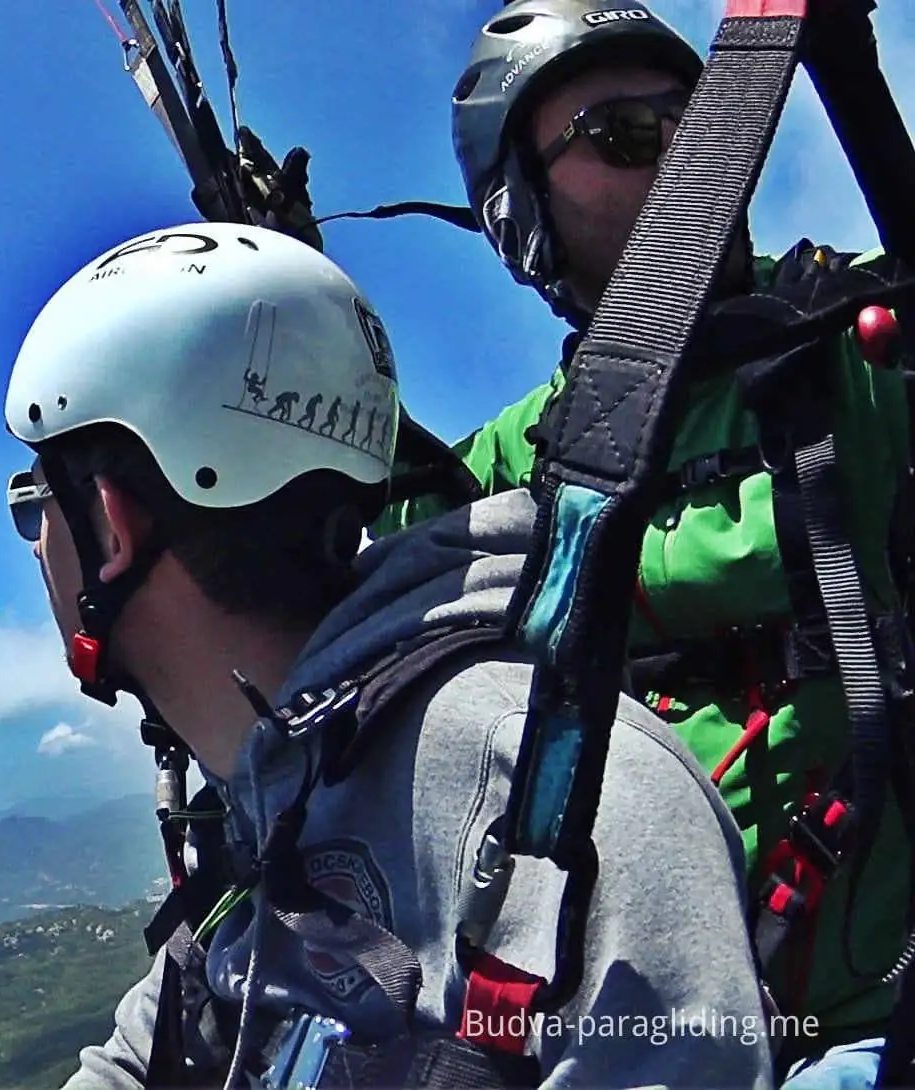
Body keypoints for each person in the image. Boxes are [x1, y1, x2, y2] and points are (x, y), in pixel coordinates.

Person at [4, 219, 774, 1088]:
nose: (34, 544)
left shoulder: (565, 802)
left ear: (109, 521)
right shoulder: (266, 796)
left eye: (34, 505)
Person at [371, 2, 914, 1084]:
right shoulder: (526, 455)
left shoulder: (850, 346)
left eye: (699, 122)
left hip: (870, 1023)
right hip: (637, 1035)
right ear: (520, 216)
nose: (681, 155)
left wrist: (858, 98)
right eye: (624, 134)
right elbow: (359, 558)